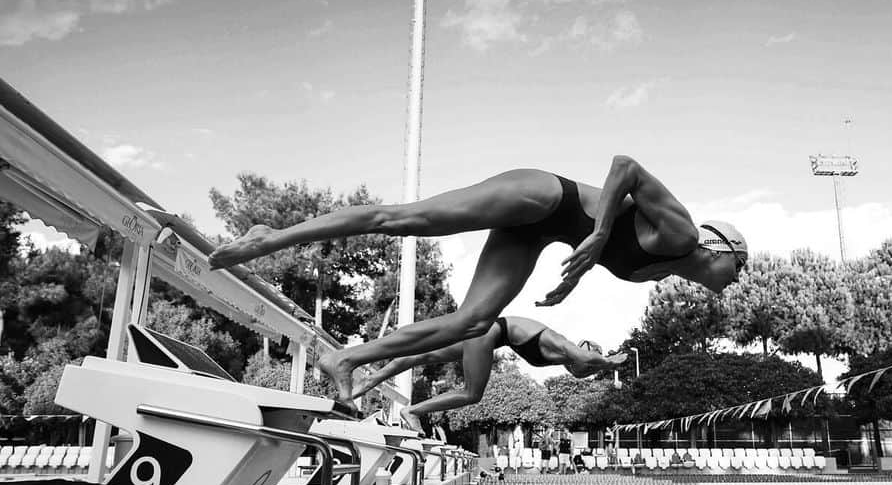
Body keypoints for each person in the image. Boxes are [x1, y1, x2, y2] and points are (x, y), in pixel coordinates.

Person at [208, 158, 748, 401]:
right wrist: (601, 235)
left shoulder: (661, 269)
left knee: (473, 322)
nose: (736, 280)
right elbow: (624, 167)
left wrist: (576, 272)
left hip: (537, 234)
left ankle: (346, 358)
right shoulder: (681, 235)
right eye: (739, 267)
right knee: (404, 220)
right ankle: (271, 235)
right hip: (542, 195)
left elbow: (593, 245)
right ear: (719, 247)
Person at [352, 316, 627, 430]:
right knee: (472, 393)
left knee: (426, 354)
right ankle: (412, 411)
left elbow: (581, 365)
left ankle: (372, 378)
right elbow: (583, 357)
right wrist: (608, 363)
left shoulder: (564, 359)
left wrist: (598, 364)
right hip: (487, 334)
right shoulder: (563, 345)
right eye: (586, 370)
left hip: (486, 333)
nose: (579, 375)